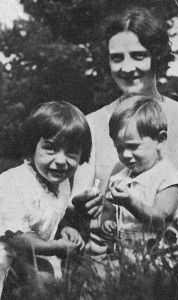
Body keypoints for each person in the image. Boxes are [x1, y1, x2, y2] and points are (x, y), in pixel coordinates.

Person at [70, 6, 178, 258]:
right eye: (117, 58)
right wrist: (82, 204)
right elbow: (76, 196)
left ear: (157, 57)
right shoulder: (92, 122)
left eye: (138, 55)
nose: (126, 67)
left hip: (172, 258)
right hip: (109, 258)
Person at [0, 101, 92, 296]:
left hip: (29, 258)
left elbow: (54, 213)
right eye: (50, 148)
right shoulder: (12, 182)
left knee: (60, 279)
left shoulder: (62, 184)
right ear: (32, 146)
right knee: (42, 280)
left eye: (71, 152)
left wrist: (66, 228)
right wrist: (56, 247)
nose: (60, 161)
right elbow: (16, 237)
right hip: (5, 258)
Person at [101, 97, 178, 255]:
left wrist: (131, 203)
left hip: (161, 256)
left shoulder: (168, 178)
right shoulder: (121, 176)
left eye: (133, 146)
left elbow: (161, 218)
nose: (126, 155)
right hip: (129, 254)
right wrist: (108, 223)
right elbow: (110, 209)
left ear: (160, 140)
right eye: (119, 148)